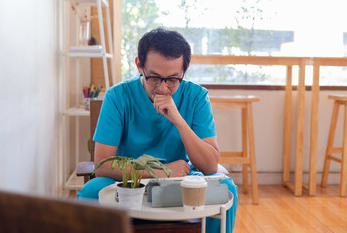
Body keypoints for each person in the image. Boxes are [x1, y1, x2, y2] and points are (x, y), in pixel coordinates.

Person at [77, 27, 238, 233]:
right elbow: (102, 165)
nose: (163, 88)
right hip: (128, 182)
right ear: (139, 65)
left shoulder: (196, 96)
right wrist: (162, 172)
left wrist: (178, 120)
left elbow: (209, 165)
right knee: (91, 192)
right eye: (154, 77)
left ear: (185, 69)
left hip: (180, 180)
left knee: (227, 189)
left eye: (172, 79)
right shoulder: (117, 96)